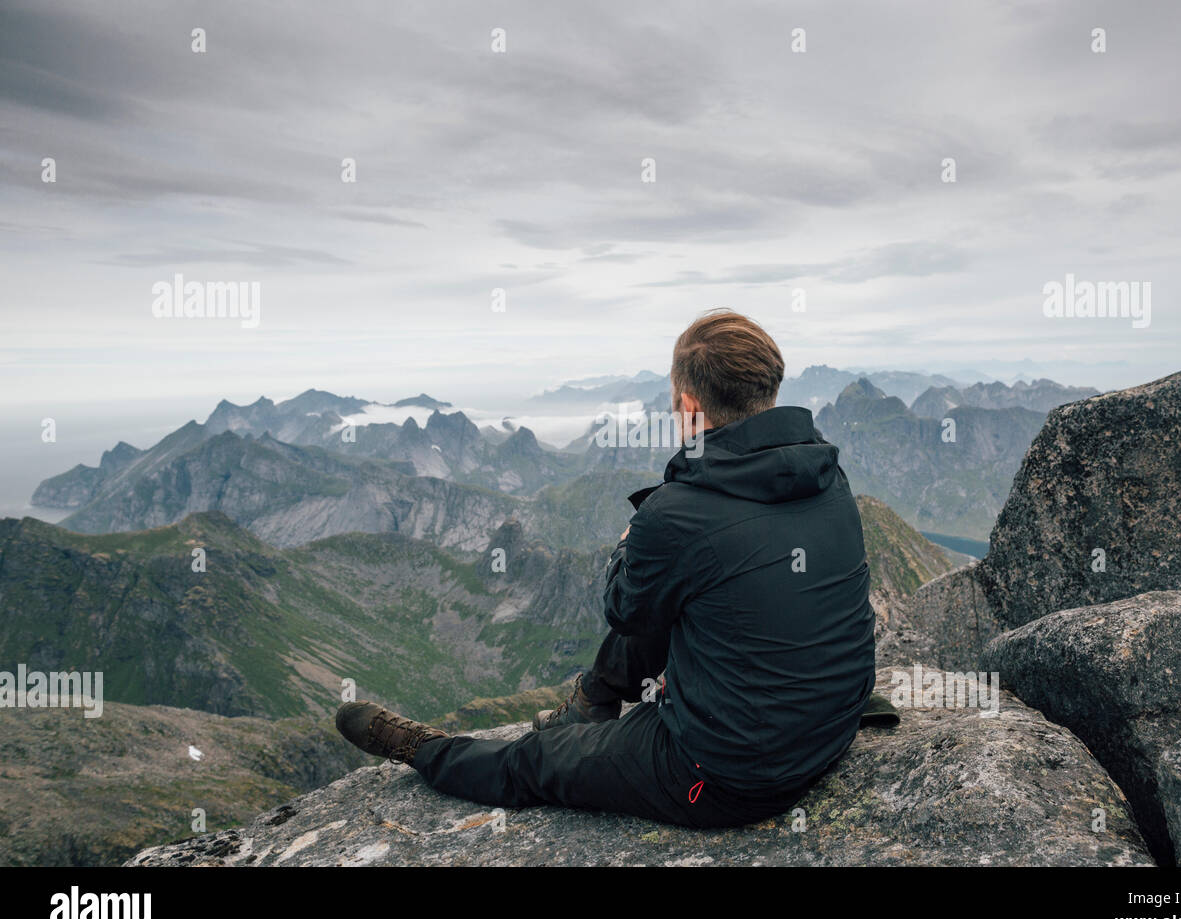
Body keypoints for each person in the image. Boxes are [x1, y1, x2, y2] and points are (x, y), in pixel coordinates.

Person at [336, 309, 877, 828]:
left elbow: (624, 607)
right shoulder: (827, 474)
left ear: (689, 407)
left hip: (726, 775)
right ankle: (595, 699)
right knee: (681, 586)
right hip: (830, 729)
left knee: (540, 761)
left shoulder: (677, 514)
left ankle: (427, 750)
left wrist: (629, 544)